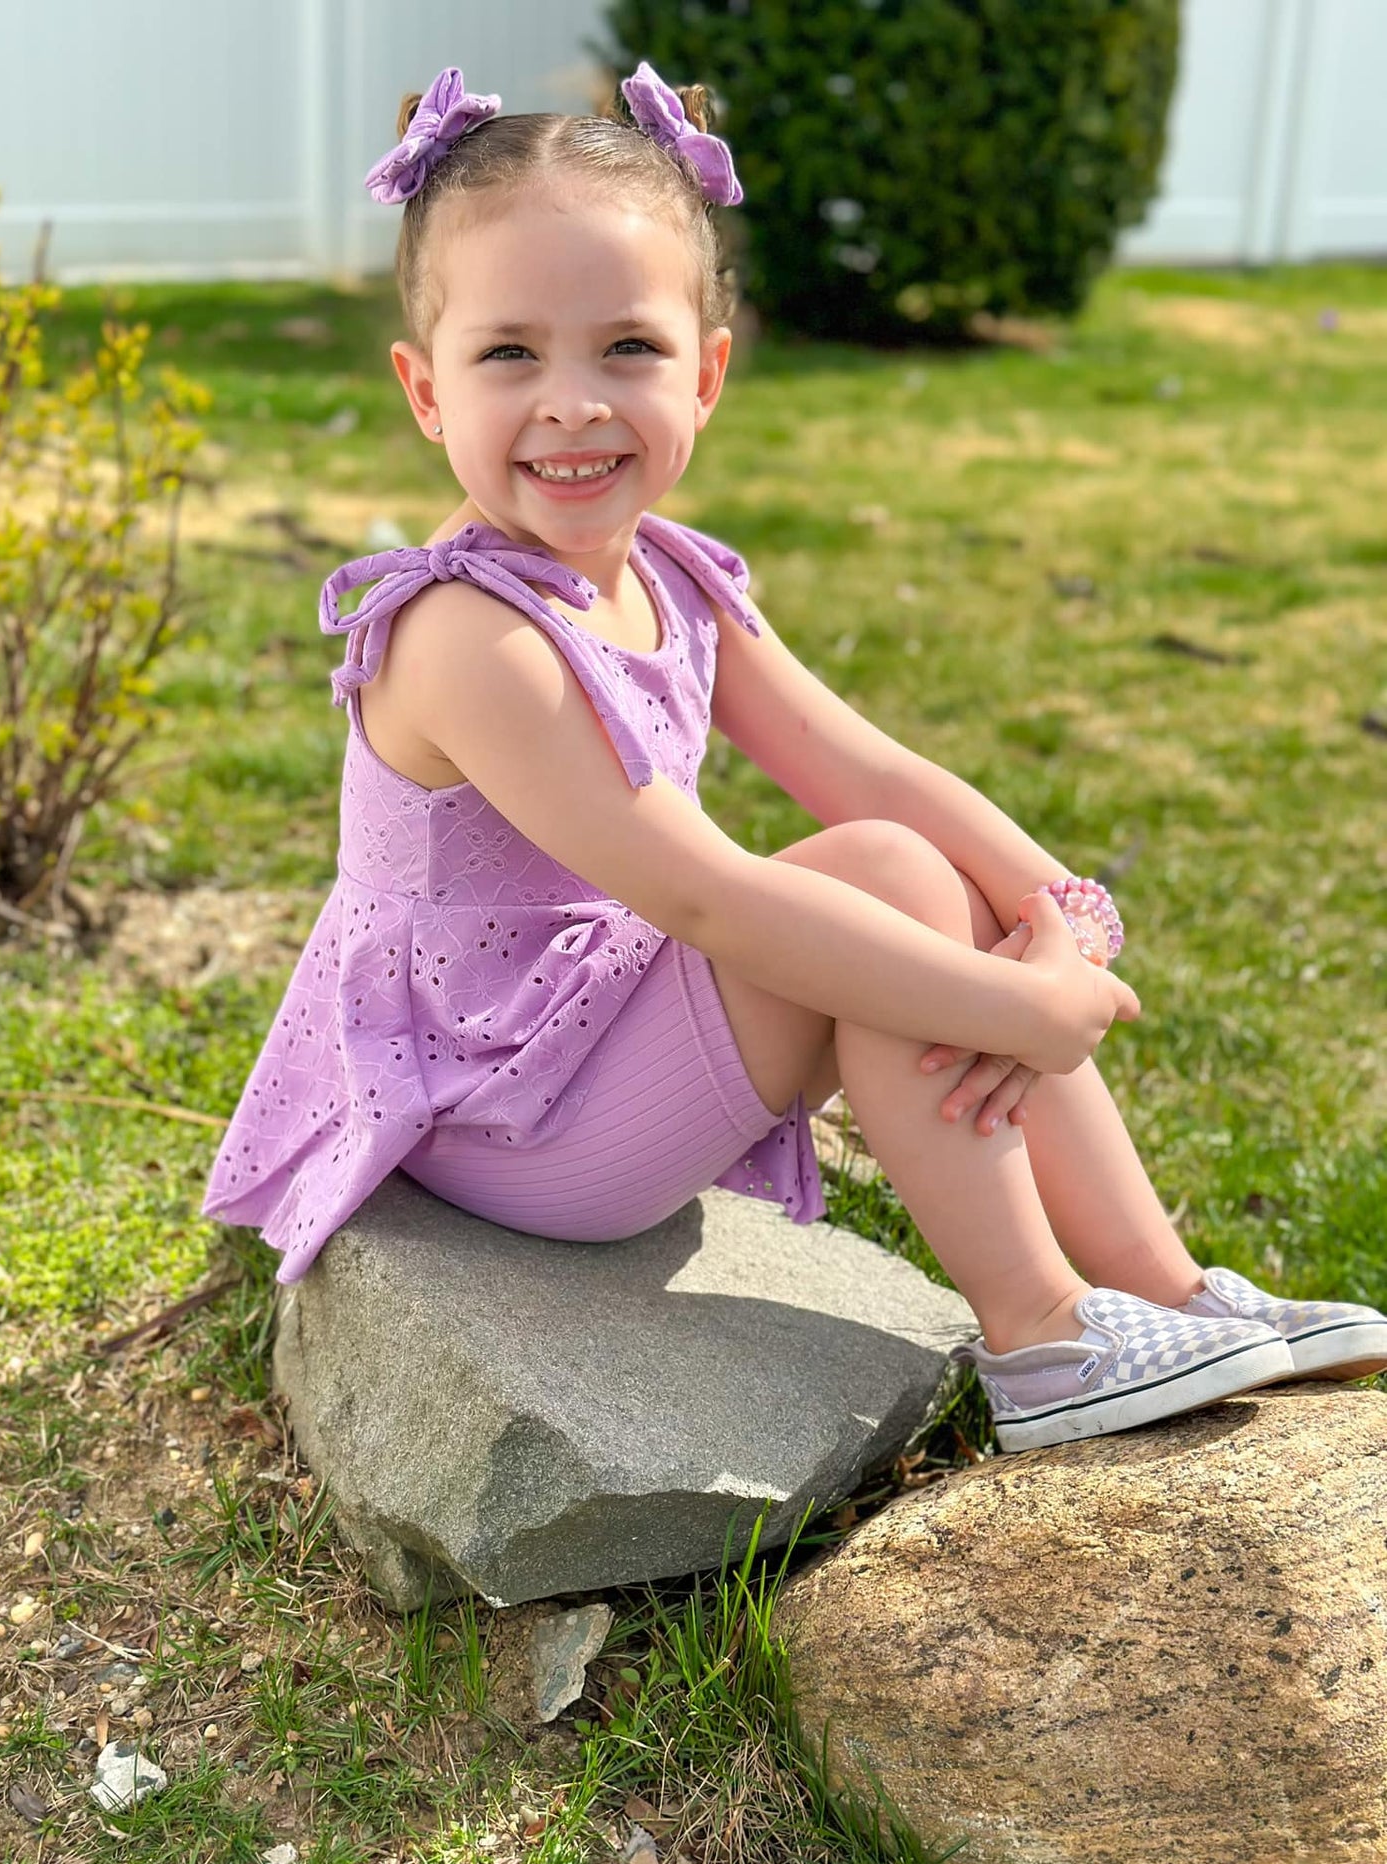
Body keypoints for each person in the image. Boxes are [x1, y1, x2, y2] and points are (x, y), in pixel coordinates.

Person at [200, 63, 1387, 1453]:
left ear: (704, 370)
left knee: (894, 858)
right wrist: (1004, 1008)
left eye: (626, 350)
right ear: (422, 390)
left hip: (592, 1026)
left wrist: (1059, 925)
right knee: (878, 901)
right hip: (491, 1106)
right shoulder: (466, 636)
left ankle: (1159, 1286)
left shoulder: (680, 578)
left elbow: (876, 775)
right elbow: (706, 898)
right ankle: (1044, 1340)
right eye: (509, 354)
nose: (572, 403)